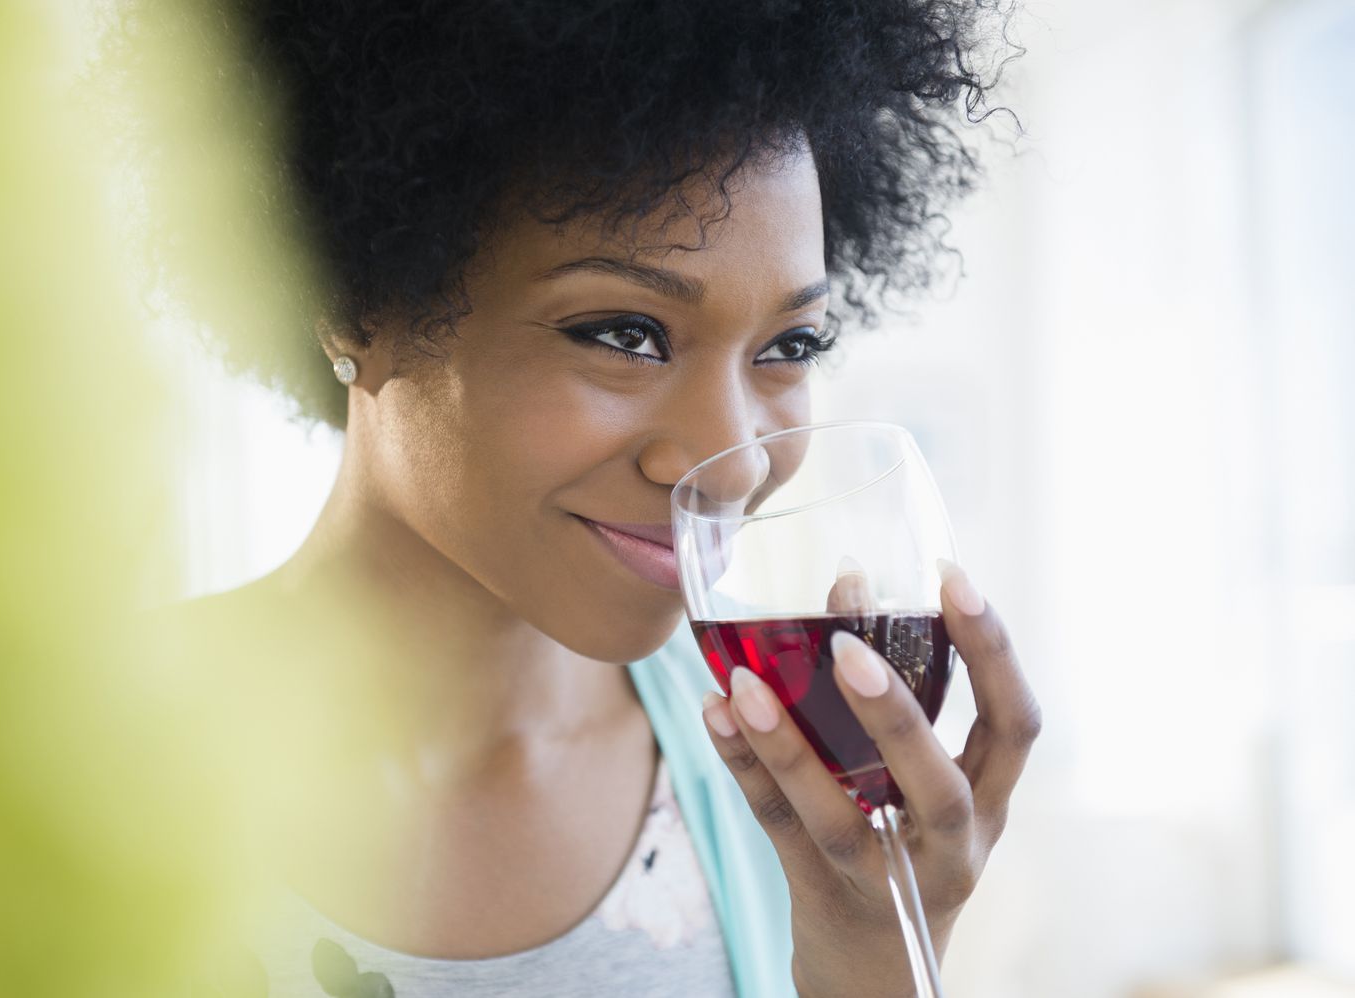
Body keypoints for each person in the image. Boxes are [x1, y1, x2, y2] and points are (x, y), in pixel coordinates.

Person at [158, 1, 1041, 995]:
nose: (737, 461)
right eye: (625, 333)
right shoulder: (43, 772)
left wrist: (877, 964)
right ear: (356, 297)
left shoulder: (792, 793)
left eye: (789, 347)